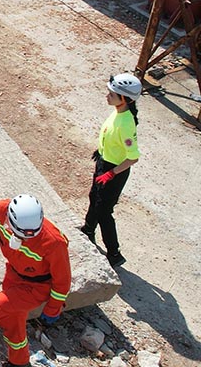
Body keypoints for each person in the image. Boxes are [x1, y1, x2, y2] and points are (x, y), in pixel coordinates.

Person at [0, 195, 71, 366]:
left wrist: (53, 309)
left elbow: (63, 280)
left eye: (30, 236)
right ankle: (20, 362)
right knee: (13, 321)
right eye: (20, 235)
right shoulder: (1, 210)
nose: (25, 240)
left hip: (36, 289)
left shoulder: (54, 243)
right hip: (14, 275)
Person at [80, 73, 142, 268]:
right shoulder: (119, 111)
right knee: (94, 198)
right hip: (104, 163)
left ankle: (114, 253)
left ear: (126, 99)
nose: (108, 95)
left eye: (112, 94)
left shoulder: (126, 123)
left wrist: (111, 173)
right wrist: (100, 152)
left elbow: (133, 157)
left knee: (105, 211)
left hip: (113, 171)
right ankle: (88, 230)